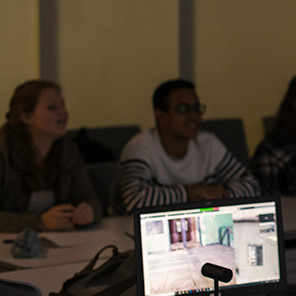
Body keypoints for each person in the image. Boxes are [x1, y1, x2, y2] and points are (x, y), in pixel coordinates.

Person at [111, 79, 260, 213]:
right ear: (161, 116)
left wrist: (212, 198)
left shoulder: (208, 143)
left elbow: (251, 186)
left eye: (197, 108)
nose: (194, 116)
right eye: (183, 109)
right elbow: (136, 201)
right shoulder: (140, 147)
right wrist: (191, 193)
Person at [0, 80, 102, 232]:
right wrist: (39, 222)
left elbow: (91, 199)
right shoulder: (3, 153)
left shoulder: (68, 151)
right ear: (26, 117)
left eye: (63, 106)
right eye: (52, 107)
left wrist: (89, 211)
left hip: (59, 243)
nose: (63, 112)